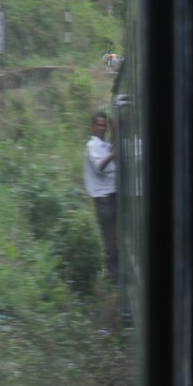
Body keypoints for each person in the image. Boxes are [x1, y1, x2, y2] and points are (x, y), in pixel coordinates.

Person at [83, 111, 117, 283]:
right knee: (110, 236)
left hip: (112, 194)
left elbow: (112, 147)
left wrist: (115, 131)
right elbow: (99, 167)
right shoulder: (92, 145)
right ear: (93, 127)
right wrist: (115, 154)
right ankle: (113, 275)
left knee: (115, 235)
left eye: (104, 125)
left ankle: (115, 271)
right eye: (100, 125)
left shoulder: (103, 145)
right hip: (103, 198)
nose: (102, 128)